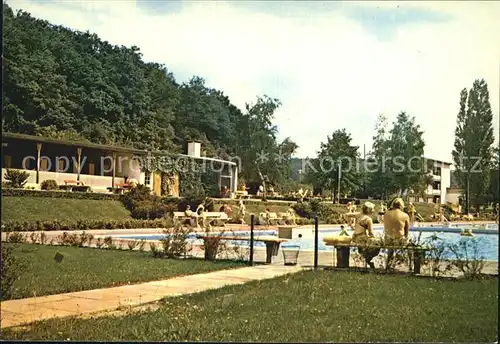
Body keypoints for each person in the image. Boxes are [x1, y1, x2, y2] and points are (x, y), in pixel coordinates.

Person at [352, 202, 380, 268]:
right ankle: (368, 260)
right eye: (372, 209)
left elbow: (347, 214)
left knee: (365, 247)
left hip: (355, 238)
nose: (373, 210)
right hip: (362, 238)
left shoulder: (358, 215)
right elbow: (371, 233)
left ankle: (367, 260)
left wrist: (350, 224)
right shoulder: (368, 219)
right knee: (378, 245)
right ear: (368, 210)